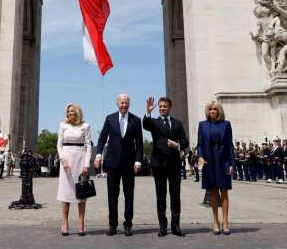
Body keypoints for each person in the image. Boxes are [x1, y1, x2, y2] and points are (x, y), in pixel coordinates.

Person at [95, 94, 143, 236]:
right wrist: (98, 155)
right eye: (122, 103)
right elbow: (102, 138)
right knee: (112, 195)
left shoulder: (136, 120)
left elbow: (139, 143)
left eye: (126, 103)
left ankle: (128, 224)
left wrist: (138, 160)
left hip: (129, 163)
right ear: (117, 103)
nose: (124, 105)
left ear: (129, 104)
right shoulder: (110, 119)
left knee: (129, 195)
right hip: (112, 163)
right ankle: (112, 225)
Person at [143, 96, 189, 237]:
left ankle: (175, 226)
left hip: (174, 164)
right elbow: (145, 125)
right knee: (161, 196)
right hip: (158, 164)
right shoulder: (154, 123)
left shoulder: (177, 123)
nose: (162, 108)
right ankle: (163, 227)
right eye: (160, 106)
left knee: (175, 196)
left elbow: (185, 142)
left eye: (165, 106)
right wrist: (148, 112)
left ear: (170, 108)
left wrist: (178, 145)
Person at [197, 100, 235, 235]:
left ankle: (225, 221)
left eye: (215, 109)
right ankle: (215, 221)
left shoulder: (226, 124)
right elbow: (200, 144)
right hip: (209, 161)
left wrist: (232, 164)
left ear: (219, 111)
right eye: (210, 109)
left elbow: (230, 145)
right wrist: (200, 157)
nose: (212, 111)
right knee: (213, 192)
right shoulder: (202, 125)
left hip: (223, 161)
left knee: (224, 191)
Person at [57, 103, 92, 236]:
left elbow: (88, 146)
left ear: (78, 112)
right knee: (65, 194)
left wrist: (86, 165)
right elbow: (59, 145)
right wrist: (63, 160)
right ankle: (65, 223)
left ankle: (81, 223)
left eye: (72, 111)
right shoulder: (63, 125)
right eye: (68, 111)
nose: (70, 113)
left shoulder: (85, 126)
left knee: (81, 193)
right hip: (66, 161)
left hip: (80, 160)